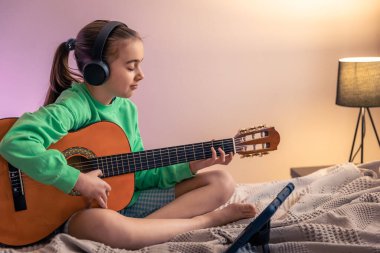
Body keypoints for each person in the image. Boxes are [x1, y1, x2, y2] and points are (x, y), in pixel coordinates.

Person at [0, 20, 256, 250]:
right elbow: (16, 142)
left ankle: (142, 230)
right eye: (131, 67)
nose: (141, 75)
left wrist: (189, 166)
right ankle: (204, 221)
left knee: (222, 181)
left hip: (126, 204)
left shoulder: (127, 110)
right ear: (97, 70)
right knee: (105, 223)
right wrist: (76, 180)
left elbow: (139, 174)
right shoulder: (74, 106)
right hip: (79, 214)